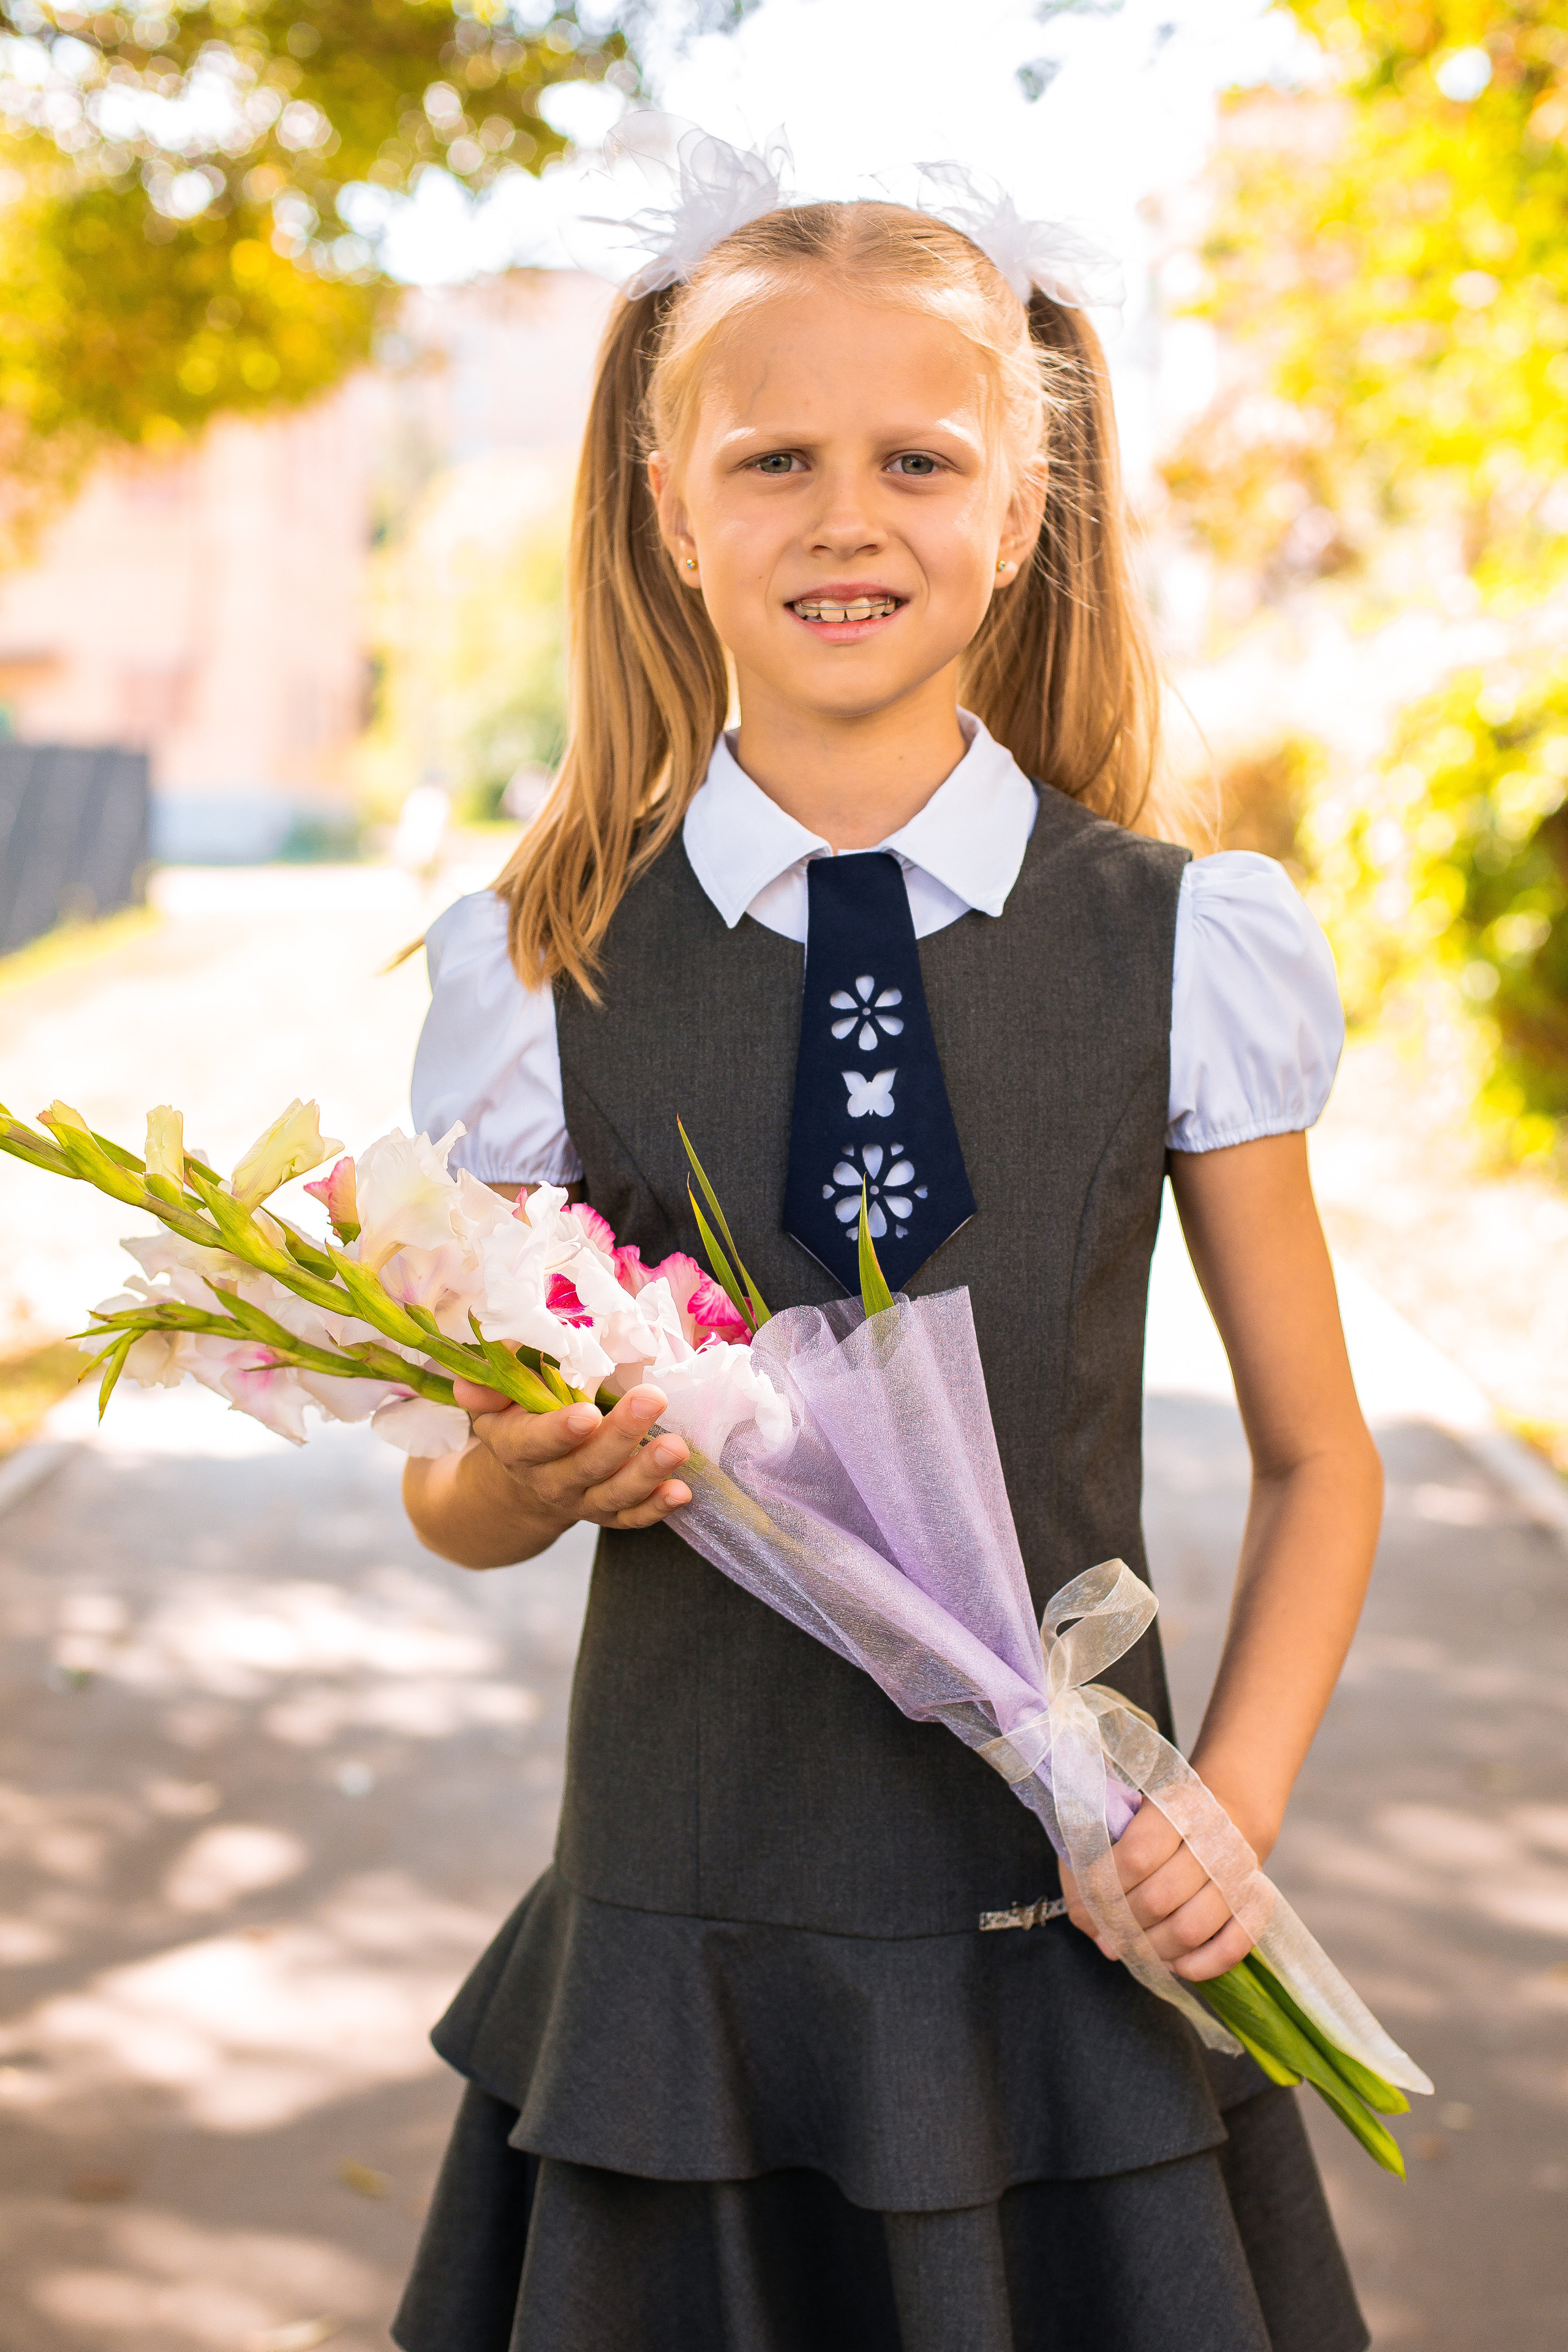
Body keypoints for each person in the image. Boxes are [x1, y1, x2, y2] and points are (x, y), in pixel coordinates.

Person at [391, 133, 1379, 2352]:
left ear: (1020, 514)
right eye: (773, 461)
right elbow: (461, 1493)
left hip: (1075, 1946)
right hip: (685, 1968)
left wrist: (1227, 1815)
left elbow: (1326, 1457)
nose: (848, 519)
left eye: (920, 459)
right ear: (670, 509)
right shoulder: (545, 968)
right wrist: (517, 1477)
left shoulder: (1179, 945)